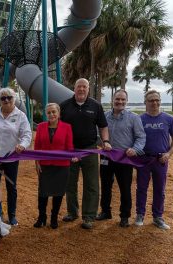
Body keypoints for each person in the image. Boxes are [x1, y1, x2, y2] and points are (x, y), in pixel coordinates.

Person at [60, 78, 112, 229]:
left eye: (84, 87)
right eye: (79, 86)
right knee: (70, 183)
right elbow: (59, 128)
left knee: (92, 184)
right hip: (70, 151)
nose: (81, 89)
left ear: (88, 89)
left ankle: (89, 216)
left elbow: (103, 126)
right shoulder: (64, 106)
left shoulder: (96, 106)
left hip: (90, 150)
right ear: (74, 88)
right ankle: (72, 212)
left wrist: (106, 141)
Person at [96, 89, 146, 227]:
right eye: (117, 99)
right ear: (113, 100)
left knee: (125, 188)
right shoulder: (104, 116)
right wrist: (103, 143)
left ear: (126, 101)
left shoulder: (134, 118)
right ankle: (105, 211)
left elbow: (141, 137)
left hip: (125, 158)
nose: (120, 102)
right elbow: (97, 134)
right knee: (105, 186)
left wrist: (135, 149)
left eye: (123, 100)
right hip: (107, 157)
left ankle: (125, 216)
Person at [0, 87, 32, 226]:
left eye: (9, 97)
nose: (6, 100)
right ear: (0, 100)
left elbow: (27, 134)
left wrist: (22, 145)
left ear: (14, 99)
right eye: (3, 98)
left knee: (11, 187)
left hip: (11, 157)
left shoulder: (21, 115)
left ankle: (12, 216)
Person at [135, 90, 173, 230]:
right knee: (141, 188)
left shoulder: (168, 119)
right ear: (145, 103)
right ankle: (140, 214)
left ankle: (157, 217)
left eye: (157, 100)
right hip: (143, 159)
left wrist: (169, 154)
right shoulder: (140, 119)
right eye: (151, 100)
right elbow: (134, 138)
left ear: (160, 101)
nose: (154, 103)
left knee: (160, 189)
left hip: (161, 159)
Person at [33, 103, 77, 229]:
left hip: (62, 166)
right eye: (49, 112)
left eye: (54, 112)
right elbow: (37, 148)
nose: (51, 114)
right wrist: (37, 163)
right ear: (46, 114)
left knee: (58, 193)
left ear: (58, 113)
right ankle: (42, 217)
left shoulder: (67, 127)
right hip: (45, 165)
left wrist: (72, 156)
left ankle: (53, 217)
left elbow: (70, 147)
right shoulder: (41, 127)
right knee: (43, 193)